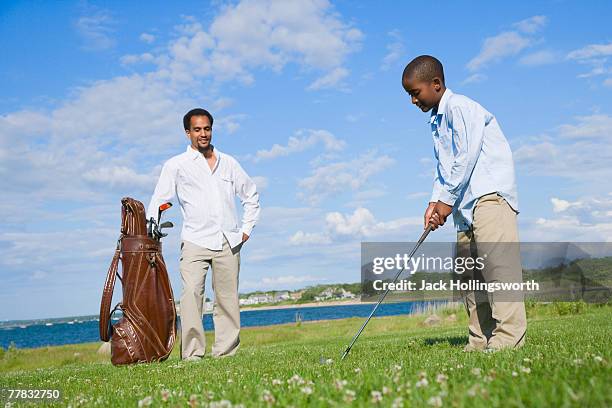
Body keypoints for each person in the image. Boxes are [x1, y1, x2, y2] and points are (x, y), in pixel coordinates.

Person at [401, 55, 527, 351]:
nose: (412, 101)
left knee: (499, 269)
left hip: (490, 197)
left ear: (436, 84)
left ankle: (508, 339)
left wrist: (445, 202)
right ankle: (480, 339)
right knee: (470, 275)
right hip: (464, 206)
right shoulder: (436, 121)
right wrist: (434, 202)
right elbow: (443, 168)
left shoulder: (461, 108)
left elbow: (465, 157)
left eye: (415, 93)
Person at [147, 108, 260, 360]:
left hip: (228, 241)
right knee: (191, 297)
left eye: (207, 128)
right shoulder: (176, 165)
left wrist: (245, 230)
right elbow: (158, 201)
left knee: (227, 300)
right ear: (187, 132)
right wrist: (151, 231)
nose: (203, 134)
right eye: (197, 129)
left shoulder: (228, 163)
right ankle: (192, 355)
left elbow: (251, 196)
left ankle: (226, 353)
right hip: (195, 241)